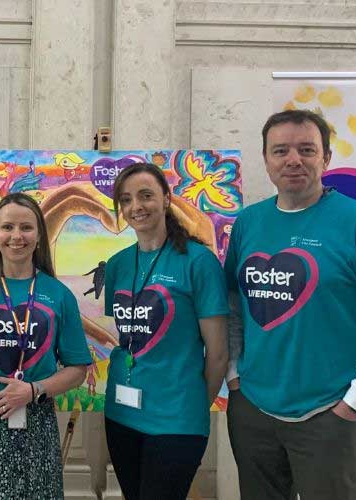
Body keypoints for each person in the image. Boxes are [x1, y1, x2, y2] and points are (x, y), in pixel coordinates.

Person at [225, 109, 356, 500]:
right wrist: (234, 375)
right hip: (253, 409)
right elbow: (235, 309)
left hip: (329, 414)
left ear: (327, 158)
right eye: (280, 150)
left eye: (306, 149)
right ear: (266, 159)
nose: (293, 159)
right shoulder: (248, 224)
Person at [0, 192, 92, 499]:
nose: (16, 236)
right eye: (7, 227)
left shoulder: (58, 295)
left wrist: (33, 389)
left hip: (37, 420)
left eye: (26, 228)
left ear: (38, 236)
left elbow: (77, 369)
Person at [103, 163, 229, 500]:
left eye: (146, 196)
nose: (136, 207)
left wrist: (194, 406)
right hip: (121, 413)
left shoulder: (198, 262)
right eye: (126, 199)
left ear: (166, 199)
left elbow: (217, 352)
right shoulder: (116, 265)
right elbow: (125, 338)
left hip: (176, 418)